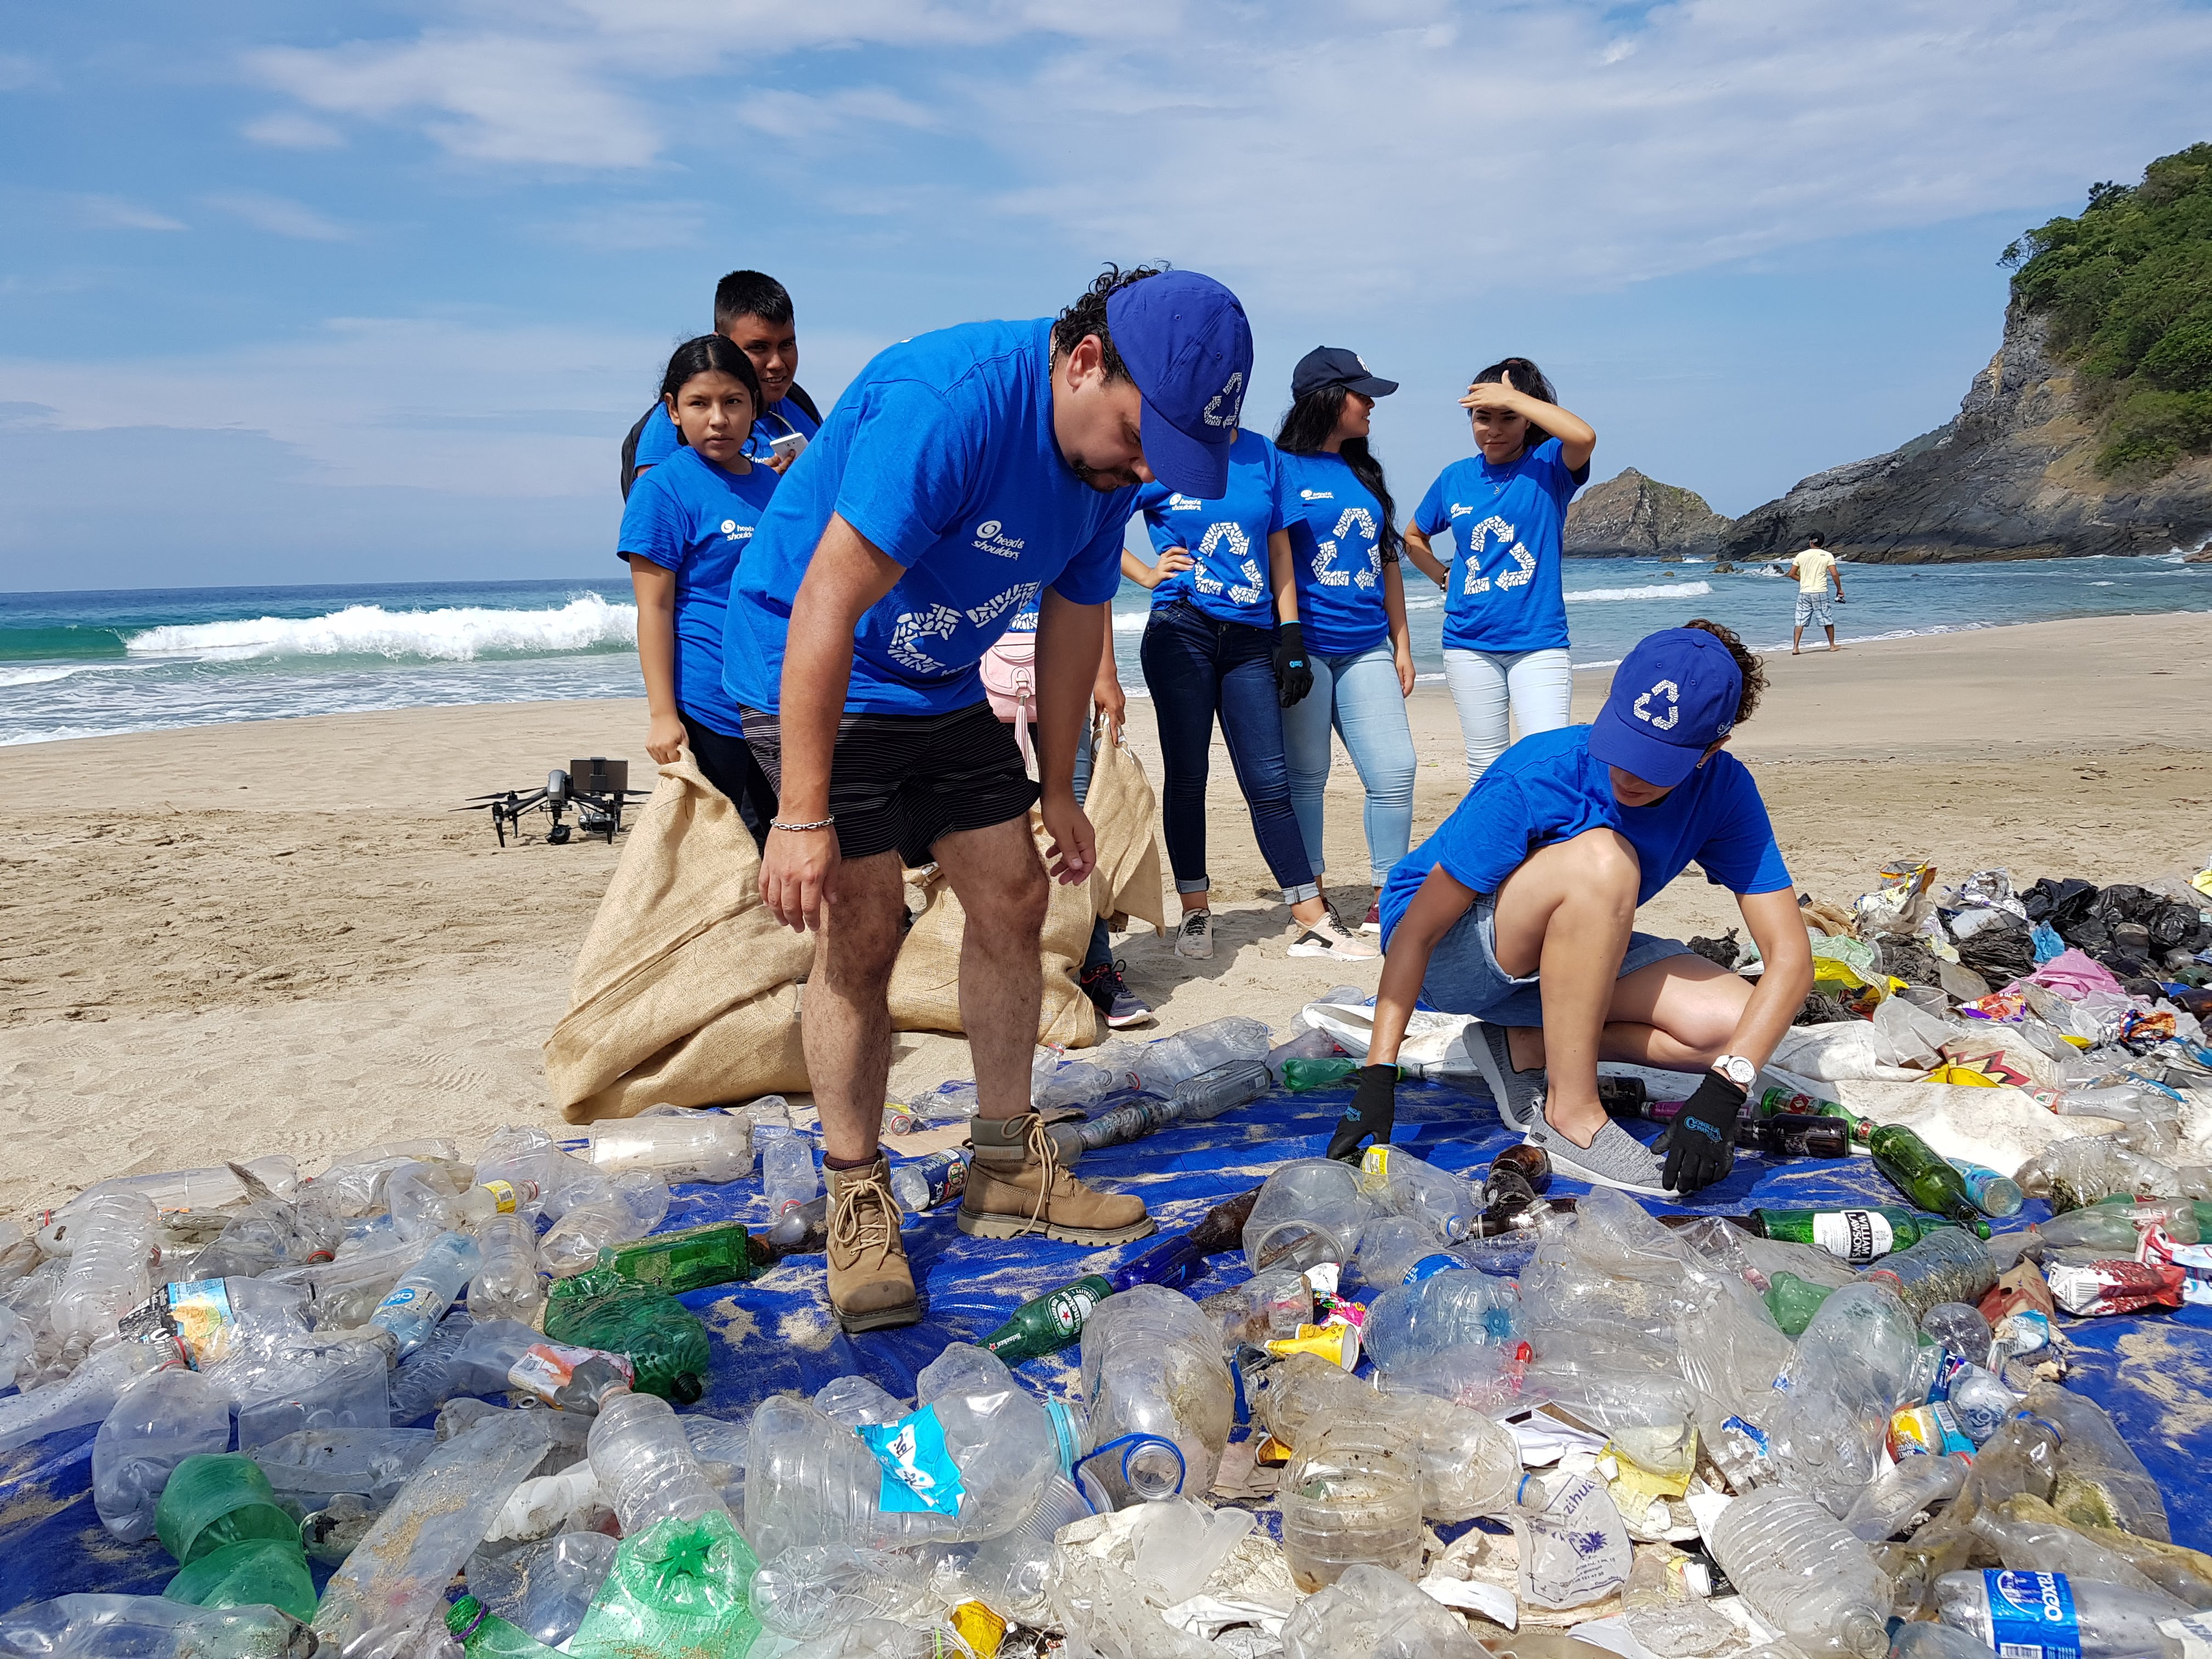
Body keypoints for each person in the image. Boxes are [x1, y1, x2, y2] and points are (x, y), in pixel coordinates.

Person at [720, 264, 1252, 1330]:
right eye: (1140, 439)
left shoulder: (1104, 475)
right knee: (863, 930)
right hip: (819, 668)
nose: (1144, 471)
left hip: (938, 683)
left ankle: (1006, 1162)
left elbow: (1071, 620)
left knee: (1015, 895)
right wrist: (803, 815)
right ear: (1085, 359)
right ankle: (855, 1192)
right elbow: (826, 601)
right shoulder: (951, 404)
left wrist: (1055, 788)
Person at [1331, 621, 1814, 1198]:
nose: (1629, 774)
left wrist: (1723, 1092)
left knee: (1740, 1029)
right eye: (1624, 743)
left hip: (1560, 952)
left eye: (1656, 762)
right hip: (1449, 954)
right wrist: (1377, 1076)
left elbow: (1791, 959)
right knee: (1606, 859)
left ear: (1711, 751)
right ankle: (1571, 1115)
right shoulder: (1541, 772)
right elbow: (1414, 932)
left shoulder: (1726, 792)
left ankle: (1521, 1049)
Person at [1125, 427, 1375, 963]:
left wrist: (1290, 634)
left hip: (1253, 637)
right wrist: (1145, 573)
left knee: (1269, 779)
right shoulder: (1165, 449)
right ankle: (1196, 909)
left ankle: (1310, 913)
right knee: (1189, 776)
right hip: (1180, 631)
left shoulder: (1263, 454)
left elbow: (1280, 547)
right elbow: (1093, 524)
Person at [617, 335, 781, 845]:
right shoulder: (662, 489)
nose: (718, 419)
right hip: (705, 703)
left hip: (776, 700)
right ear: (672, 410)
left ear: (754, 405)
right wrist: (663, 715)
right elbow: (654, 609)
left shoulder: (774, 488)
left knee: (791, 840)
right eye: (699, 403)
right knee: (719, 850)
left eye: (733, 401)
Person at [1274, 348, 1416, 939]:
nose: (1371, 405)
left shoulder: (1365, 474)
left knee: (1396, 771)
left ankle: (1390, 893)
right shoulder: (1279, 468)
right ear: (1330, 399)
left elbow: (1388, 562)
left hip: (1367, 648)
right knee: (1307, 778)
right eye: (1362, 394)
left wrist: (1402, 643)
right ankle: (1312, 900)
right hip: (1307, 647)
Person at [1403, 359, 1596, 783]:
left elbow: (1584, 436)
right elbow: (1413, 537)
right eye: (1482, 417)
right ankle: (1493, 849)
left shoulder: (1549, 467)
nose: (1493, 428)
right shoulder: (1454, 478)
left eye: (1508, 417)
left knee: (1548, 762)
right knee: (1486, 768)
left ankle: (1548, 849)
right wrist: (1442, 575)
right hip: (1468, 644)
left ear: (1529, 418)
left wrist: (1514, 397)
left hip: (1538, 643)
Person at [983, 594, 1155, 1027]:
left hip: (1066, 669)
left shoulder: (1067, 523)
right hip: (980, 679)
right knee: (988, 828)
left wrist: (1106, 672)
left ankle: (1095, 968)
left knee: (1079, 826)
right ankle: (1005, 969)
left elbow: (1094, 586)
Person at [622, 270, 824, 496]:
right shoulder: (677, 420)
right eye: (758, 347)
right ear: (721, 344)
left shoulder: (799, 404)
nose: (776, 363)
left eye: (786, 345)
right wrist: (753, 486)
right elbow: (655, 503)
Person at [1789, 533, 1846, 653]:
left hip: (1804, 592)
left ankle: (1796, 648)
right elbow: (1834, 574)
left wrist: (1803, 580)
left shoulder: (1801, 555)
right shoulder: (1827, 555)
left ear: (1811, 542)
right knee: (1826, 618)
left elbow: (1792, 574)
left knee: (1800, 620)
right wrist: (1839, 589)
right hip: (1820, 591)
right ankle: (1832, 645)